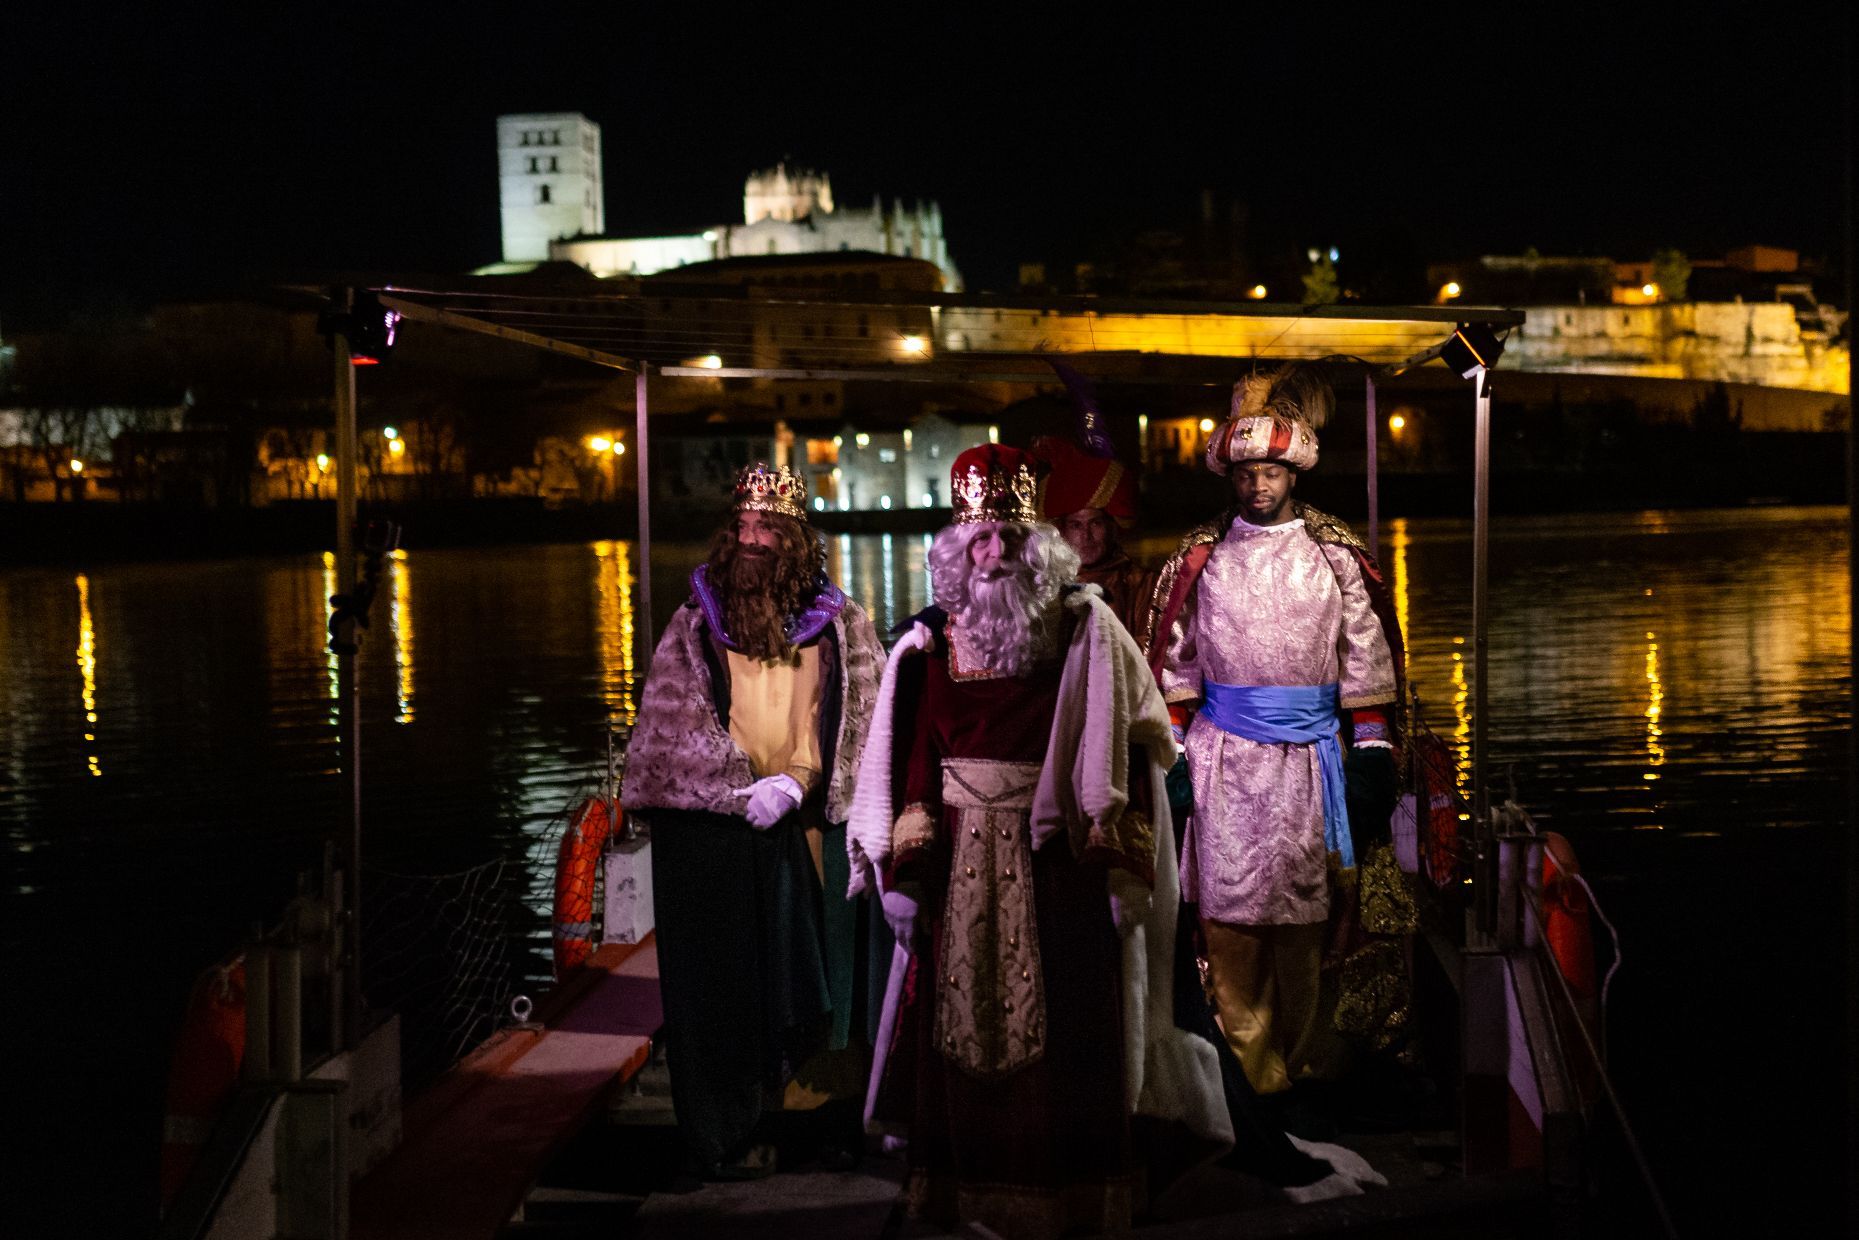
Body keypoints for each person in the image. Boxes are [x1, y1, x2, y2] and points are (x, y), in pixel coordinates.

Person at [847, 444, 1230, 1238]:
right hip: (956, 864)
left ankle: (1075, 1199)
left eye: (1009, 540)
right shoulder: (927, 649)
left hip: (1058, 865)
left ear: (1037, 548)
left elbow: (1125, 751)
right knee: (961, 1030)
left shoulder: (1086, 634)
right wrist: (904, 874)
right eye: (979, 541)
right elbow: (915, 768)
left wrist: (1123, 872)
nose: (994, 555)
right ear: (957, 553)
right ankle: (963, 1192)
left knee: (1071, 1032)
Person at [621, 461, 883, 1179]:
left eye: (767, 527)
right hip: (727, 835)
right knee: (734, 983)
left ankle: (820, 1127)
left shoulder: (840, 625)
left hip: (812, 827)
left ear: (794, 540)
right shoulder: (692, 625)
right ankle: (736, 1127)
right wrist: (733, 788)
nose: (751, 540)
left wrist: (799, 784)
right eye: (740, 526)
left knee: (822, 981)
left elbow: (862, 724)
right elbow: (673, 730)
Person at [1151, 364, 1403, 1106]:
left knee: (1312, 919)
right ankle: (1243, 1081)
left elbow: (1365, 662)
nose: (1258, 485)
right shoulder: (1198, 560)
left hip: (1313, 767)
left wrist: (1372, 755)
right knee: (1227, 915)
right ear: (1229, 475)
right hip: (1223, 762)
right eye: (1245, 472)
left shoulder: (1334, 555)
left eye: (1270, 470)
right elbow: (1173, 666)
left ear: (1292, 469)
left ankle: (1312, 1070)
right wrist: (1171, 757)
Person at [1035, 435, 1160, 650]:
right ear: (1062, 531)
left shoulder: (1142, 584)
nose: (1086, 536)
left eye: (1095, 523)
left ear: (1111, 527)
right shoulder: (1045, 585)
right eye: (1076, 525)